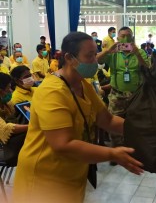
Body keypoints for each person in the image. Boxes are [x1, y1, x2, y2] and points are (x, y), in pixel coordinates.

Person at [13, 32, 143, 203]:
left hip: (71, 176)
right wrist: (113, 153)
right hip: (43, 181)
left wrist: (143, 129)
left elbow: (108, 120)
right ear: (69, 58)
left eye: (95, 54)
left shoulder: (84, 85)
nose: (95, 61)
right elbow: (62, 144)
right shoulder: (52, 91)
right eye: (89, 56)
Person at [97, 26, 149, 162]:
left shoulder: (140, 52)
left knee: (136, 124)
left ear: (132, 37)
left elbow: (148, 69)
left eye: (128, 35)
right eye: (122, 36)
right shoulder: (113, 53)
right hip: (117, 95)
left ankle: (134, 151)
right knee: (113, 123)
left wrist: (137, 53)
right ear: (117, 38)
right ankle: (117, 153)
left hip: (136, 95)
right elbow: (97, 60)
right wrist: (108, 50)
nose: (125, 38)